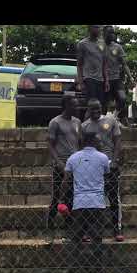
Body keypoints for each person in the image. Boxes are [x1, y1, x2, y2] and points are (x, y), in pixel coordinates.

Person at [58, 131, 110, 273]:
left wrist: (61, 201)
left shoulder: (73, 158)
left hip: (80, 205)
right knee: (97, 241)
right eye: (99, 140)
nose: (101, 143)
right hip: (97, 204)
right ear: (93, 141)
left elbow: (66, 182)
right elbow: (106, 177)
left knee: (75, 242)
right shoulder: (103, 158)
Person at [82, 99, 124, 242]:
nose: (96, 112)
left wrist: (115, 160)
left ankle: (117, 228)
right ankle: (88, 230)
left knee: (113, 198)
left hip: (110, 165)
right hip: (93, 168)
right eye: (93, 109)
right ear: (88, 110)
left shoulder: (111, 120)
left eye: (98, 109)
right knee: (92, 199)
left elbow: (117, 140)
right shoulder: (85, 126)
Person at [47, 95, 82, 240]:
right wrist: (58, 162)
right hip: (61, 165)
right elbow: (50, 144)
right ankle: (50, 228)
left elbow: (79, 143)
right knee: (57, 198)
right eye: (74, 105)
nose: (77, 107)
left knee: (72, 200)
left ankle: (70, 231)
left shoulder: (77, 122)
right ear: (67, 105)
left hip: (75, 166)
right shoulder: (55, 122)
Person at [102, 25, 137, 128]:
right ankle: (113, 123)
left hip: (116, 79)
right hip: (104, 79)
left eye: (113, 33)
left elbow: (124, 64)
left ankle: (114, 119)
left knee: (122, 99)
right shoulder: (99, 46)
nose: (112, 35)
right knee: (107, 104)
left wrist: (131, 77)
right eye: (110, 33)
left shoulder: (117, 47)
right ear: (104, 33)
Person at [76, 26, 109, 113]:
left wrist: (106, 81)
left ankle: (98, 126)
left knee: (100, 106)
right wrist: (81, 82)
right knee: (92, 105)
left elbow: (105, 63)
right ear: (90, 28)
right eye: (96, 27)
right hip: (89, 78)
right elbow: (79, 64)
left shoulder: (102, 44)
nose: (99, 30)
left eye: (99, 28)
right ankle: (86, 125)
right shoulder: (82, 44)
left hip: (100, 79)